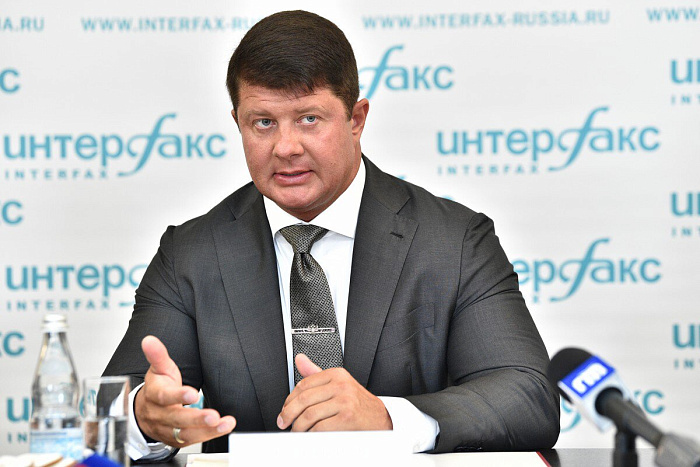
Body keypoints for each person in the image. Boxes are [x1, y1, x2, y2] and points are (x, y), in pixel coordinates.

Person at [104, 9, 560, 461]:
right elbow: (114, 408)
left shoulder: (454, 240)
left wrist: (388, 418)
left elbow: (528, 395)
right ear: (238, 122)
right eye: (263, 123)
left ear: (356, 119)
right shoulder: (191, 253)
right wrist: (143, 417)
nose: (285, 147)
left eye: (308, 119)